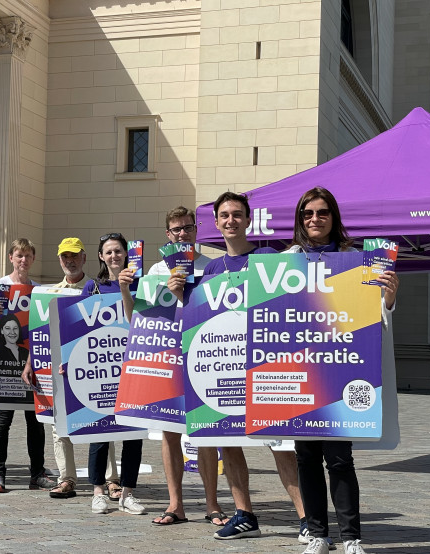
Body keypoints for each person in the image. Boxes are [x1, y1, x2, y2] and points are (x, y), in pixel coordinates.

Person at [188, 193, 306, 541]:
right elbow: (200, 319)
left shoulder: (268, 258)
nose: (230, 220)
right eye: (224, 215)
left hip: (264, 363)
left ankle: (305, 517)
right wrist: (182, 294)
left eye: (237, 214)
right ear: (217, 221)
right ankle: (244, 515)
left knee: (280, 443)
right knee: (228, 439)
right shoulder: (211, 269)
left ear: (248, 219)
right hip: (225, 364)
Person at [288, 187, 399, 554]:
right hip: (300, 373)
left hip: (341, 372)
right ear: (300, 219)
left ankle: (351, 537)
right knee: (306, 458)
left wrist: (388, 296)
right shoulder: (286, 261)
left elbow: (374, 319)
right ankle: (318, 534)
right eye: (308, 213)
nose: (315, 219)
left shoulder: (356, 260)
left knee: (338, 459)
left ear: (333, 217)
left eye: (322, 213)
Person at [120, 207, 226, 526]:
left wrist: (184, 297)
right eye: (176, 230)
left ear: (197, 230)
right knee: (169, 435)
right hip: (167, 361)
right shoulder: (153, 271)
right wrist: (126, 288)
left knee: (205, 433)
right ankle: (175, 504)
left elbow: (221, 315)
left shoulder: (214, 268)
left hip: (204, 358)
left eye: (188, 228)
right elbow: (139, 322)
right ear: (167, 235)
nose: (182, 233)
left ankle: (212, 505)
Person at [21, 238, 122, 501]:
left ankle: (110, 479)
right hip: (59, 367)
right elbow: (39, 333)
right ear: (59, 259)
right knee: (58, 424)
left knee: (100, 418)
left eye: (75, 255)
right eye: (65, 256)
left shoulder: (96, 288)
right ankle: (67, 478)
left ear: (85, 258)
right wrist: (31, 362)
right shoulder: (49, 293)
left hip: (90, 364)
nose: (70, 260)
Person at [0, 238, 55, 493]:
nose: (23, 260)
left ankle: (37, 473)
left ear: (33, 259)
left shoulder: (40, 290)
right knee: (2, 421)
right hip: (3, 365)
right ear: (11, 257)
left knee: (36, 421)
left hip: (33, 362)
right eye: (19, 255)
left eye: (28, 256)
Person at [84, 233, 145, 516]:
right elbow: (80, 332)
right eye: (108, 252)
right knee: (100, 432)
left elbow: (137, 321)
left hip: (132, 367)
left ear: (126, 254)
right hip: (101, 368)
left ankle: (128, 493)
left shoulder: (140, 285)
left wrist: (125, 289)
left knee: (133, 433)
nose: (113, 256)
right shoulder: (93, 287)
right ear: (101, 256)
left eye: (118, 251)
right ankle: (98, 492)